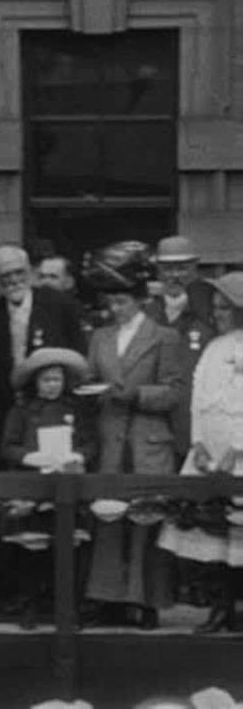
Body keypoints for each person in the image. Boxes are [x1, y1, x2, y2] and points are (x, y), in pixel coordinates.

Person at [81, 241, 183, 629]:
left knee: (146, 519)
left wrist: (136, 395)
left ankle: (146, 602)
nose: (115, 308)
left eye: (122, 301)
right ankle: (108, 599)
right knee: (108, 518)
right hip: (110, 437)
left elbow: (174, 392)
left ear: (140, 300)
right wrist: (88, 389)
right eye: (111, 302)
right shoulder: (100, 337)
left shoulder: (163, 337)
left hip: (147, 439)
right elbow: (90, 379)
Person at [157, 271, 243, 633]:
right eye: (216, 307)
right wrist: (198, 443)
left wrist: (238, 448)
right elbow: (197, 398)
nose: (218, 313)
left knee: (239, 534)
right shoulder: (213, 347)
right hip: (209, 449)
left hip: (238, 451)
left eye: (225, 307)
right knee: (212, 533)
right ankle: (221, 607)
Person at [0, 348, 96, 629]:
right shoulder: (22, 411)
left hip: (67, 485)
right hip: (34, 486)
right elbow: (7, 446)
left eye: (57, 380)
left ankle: (69, 611)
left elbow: (91, 443)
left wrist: (78, 456)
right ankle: (30, 607)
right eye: (46, 380)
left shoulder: (76, 410)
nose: (52, 385)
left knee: (70, 551)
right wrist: (30, 457)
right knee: (33, 552)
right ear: (35, 382)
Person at [0, 245, 87, 468]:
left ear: (31, 272)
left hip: (55, 412)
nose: (14, 280)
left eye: (19, 272)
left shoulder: (60, 305)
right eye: (6, 275)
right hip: (6, 413)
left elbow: (78, 356)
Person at [146, 236, 216, 463]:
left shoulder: (212, 310)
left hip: (200, 418)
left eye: (182, 268)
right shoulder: (146, 313)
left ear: (195, 267)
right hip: (154, 421)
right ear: (158, 270)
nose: (174, 275)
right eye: (167, 268)